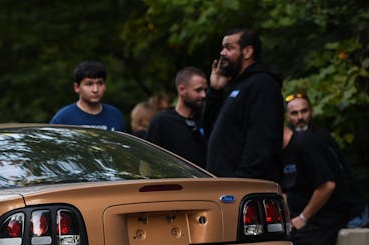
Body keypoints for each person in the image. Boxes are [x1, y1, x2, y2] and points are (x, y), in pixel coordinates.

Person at [203, 28, 284, 181]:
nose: (222, 53)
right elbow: (210, 132)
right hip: (223, 187)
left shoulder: (262, 85)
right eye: (222, 48)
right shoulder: (237, 87)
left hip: (242, 187)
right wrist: (215, 92)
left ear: (247, 52)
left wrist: (243, 181)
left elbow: (262, 140)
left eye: (229, 48)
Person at [285, 93, 368, 228]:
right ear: (287, 116)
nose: (300, 117)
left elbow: (330, 183)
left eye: (304, 111)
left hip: (346, 213)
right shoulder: (292, 143)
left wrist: (304, 217)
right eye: (294, 113)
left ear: (311, 111)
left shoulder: (320, 138)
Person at [146, 66, 208, 167]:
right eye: (198, 90)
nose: (203, 95)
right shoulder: (162, 122)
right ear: (181, 90)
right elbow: (149, 161)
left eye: (205, 90)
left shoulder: (206, 121)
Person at [50, 60, 125, 131]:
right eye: (89, 84)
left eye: (100, 83)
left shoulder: (115, 116)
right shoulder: (63, 119)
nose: (95, 90)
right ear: (76, 87)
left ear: (105, 86)